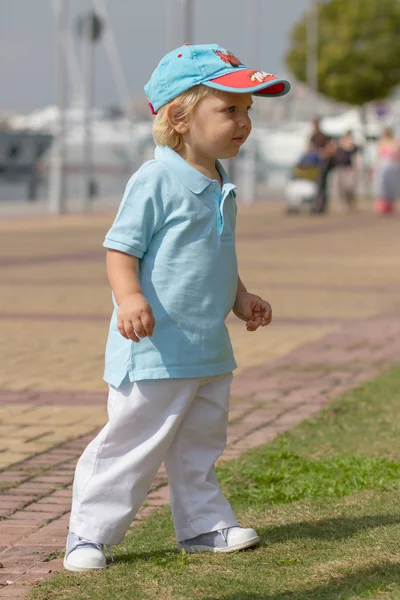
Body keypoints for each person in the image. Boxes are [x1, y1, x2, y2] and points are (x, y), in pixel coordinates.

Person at [63, 43, 291, 572]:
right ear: (180, 117)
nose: (243, 122)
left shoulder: (220, 184)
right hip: (154, 348)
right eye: (229, 109)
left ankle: (203, 525)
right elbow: (120, 249)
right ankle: (89, 533)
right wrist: (131, 297)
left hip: (207, 348)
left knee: (201, 444)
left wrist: (241, 297)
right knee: (132, 442)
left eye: (248, 111)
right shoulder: (155, 179)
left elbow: (217, 254)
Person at [309, 117, 336, 214]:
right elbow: (308, 148)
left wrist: (324, 152)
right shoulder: (312, 137)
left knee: (322, 186)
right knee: (317, 186)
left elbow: (332, 149)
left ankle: (322, 206)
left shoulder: (325, 137)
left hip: (323, 164)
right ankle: (316, 205)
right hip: (314, 164)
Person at [373, 127, 400, 215]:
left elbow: (397, 155)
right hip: (385, 166)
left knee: (389, 186)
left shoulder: (394, 142)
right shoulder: (384, 142)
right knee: (383, 185)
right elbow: (379, 155)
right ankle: (384, 205)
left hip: (391, 166)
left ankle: (388, 205)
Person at [334, 130, 359, 212]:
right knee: (342, 187)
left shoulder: (353, 146)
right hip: (341, 167)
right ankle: (343, 204)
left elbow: (355, 155)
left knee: (350, 187)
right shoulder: (340, 145)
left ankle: (351, 203)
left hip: (349, 168)